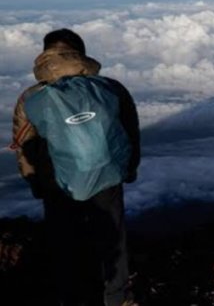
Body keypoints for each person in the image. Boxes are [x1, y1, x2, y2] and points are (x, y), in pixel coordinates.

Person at [11, 29, 140, 306]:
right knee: (112, 238)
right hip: (108, 175)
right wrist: (130, 169)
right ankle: (117, 298)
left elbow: (24, 143)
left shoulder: (32, 96)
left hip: (57, 183)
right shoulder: (109, 87)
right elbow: (130, 130)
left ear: (45, 54)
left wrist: (35, 182)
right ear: (80, 54)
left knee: (64, 242)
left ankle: (69, 297)